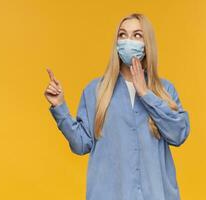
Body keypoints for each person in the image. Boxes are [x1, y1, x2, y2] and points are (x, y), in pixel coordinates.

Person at [44, 13, 190, 200]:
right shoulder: (96, 90)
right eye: (123, 35)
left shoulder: (164, 89)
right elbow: (81, 144)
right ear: (117, 42)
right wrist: (60, 107)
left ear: (147, 44)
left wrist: (146, 94)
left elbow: (179, 134)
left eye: (137, 35)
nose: (129, 40)